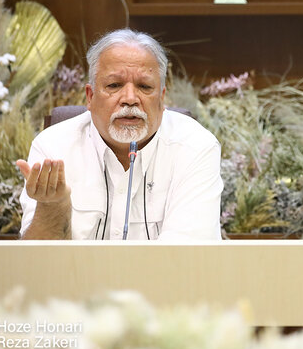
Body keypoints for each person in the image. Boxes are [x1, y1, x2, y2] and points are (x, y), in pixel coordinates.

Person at [17, 29, 223, 240]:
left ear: (162, 99)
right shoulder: (54, 147)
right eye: (114, 85)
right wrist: (53, 207)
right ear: (90, 96)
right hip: (77, 274)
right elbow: (38, 262)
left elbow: (188, 255)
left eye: (144, 86)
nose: (130, 98)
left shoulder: (196, 147)